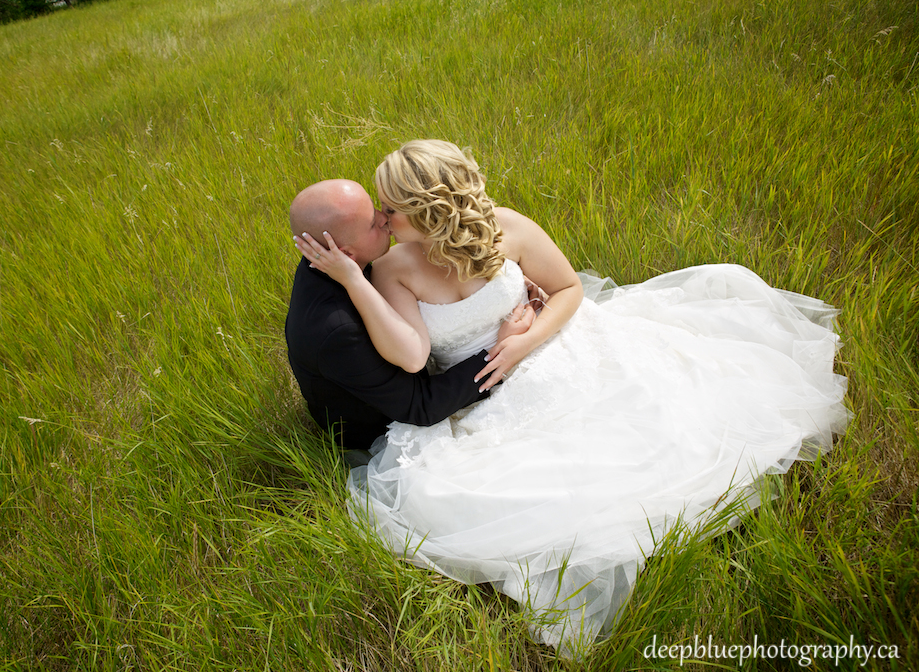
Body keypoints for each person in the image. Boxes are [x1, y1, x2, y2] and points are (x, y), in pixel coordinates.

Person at [297, 141, 850, 657]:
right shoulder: (392, 270)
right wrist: (354, 279)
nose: (383, 221)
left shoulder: (506, 229)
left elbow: (567, 290)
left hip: (556, 348)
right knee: (529, 486)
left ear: (426, 208)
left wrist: (524, 342)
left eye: (388, 210)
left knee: (651, 410)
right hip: (485, 391)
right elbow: (414, 358)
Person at [285, 179, 535, 454]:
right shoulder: (337, 330)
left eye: (374, 208)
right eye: (372, 224)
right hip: (383, 424)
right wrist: (497, 350)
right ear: (344, 254)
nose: (384, 219)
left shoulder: (333, 254)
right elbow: (421, 406)